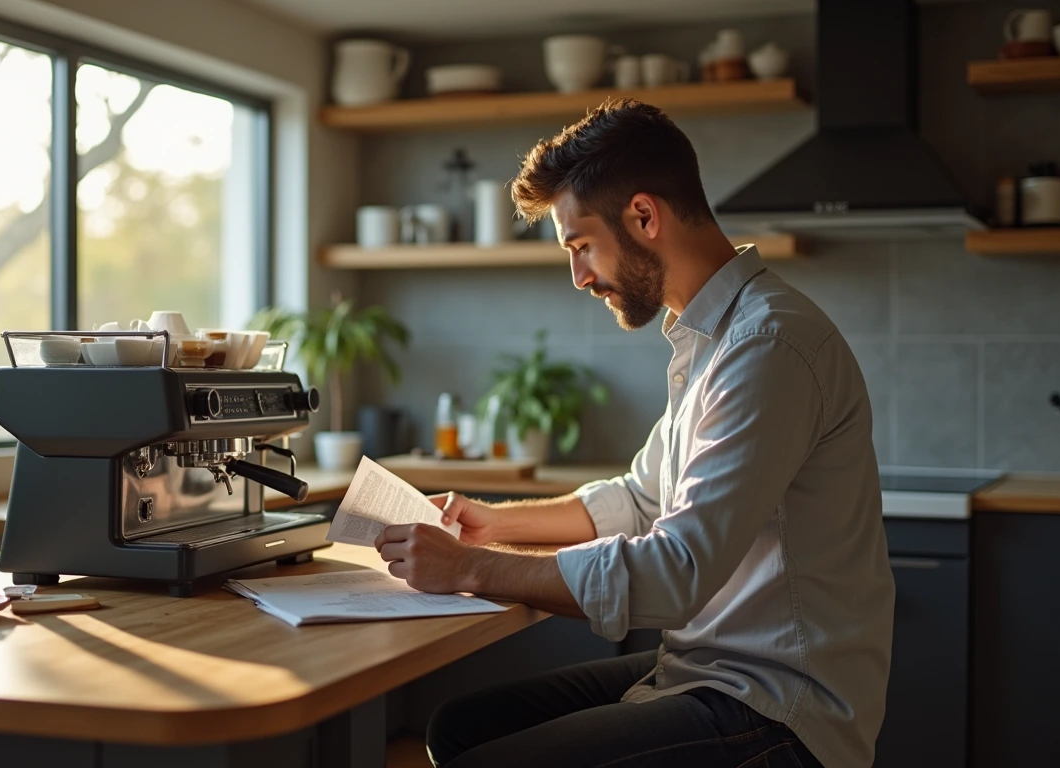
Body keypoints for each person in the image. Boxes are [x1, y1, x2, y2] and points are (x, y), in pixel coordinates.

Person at [375, 99, 895, 768]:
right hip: (710, 665)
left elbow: (677, 572)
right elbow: (640, 500)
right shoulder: (712, 340)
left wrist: (469, 568)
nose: (579, 277)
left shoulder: (767, 345)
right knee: (460, 728)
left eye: (581, 247)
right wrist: (493, 523)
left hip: (778, 703)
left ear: (645, 216)